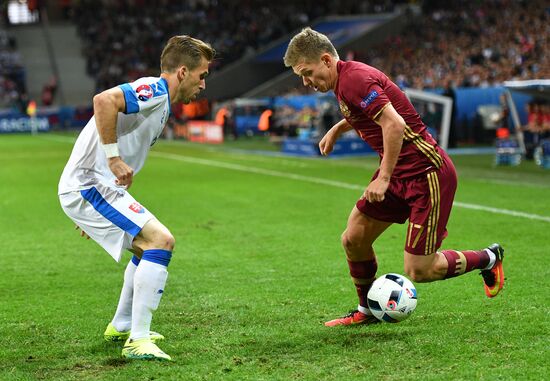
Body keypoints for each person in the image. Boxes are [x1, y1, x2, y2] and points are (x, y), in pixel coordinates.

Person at [283, 27, 505, 327]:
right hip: (400, 174)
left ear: (325, 59)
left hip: (426, 174)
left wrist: (384, 177)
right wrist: (337, 129)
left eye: (307, 73)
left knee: (420, 270)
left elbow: (394, 124)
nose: (306, 82)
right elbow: (363, 111)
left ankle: (489, 258)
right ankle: (368, 310)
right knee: (354, 238)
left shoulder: (354, 79)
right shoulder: (344, 80)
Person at [58, 35, 215, 359]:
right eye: (202, 76)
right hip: (88, 185)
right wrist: (113, 159)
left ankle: (123, 324)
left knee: (146, 246)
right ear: (182, 72)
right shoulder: (155, 90)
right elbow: (103, 101)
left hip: (95, 189)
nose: (203, 85)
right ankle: (138, 340)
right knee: (160, 240)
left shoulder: (163, 105)